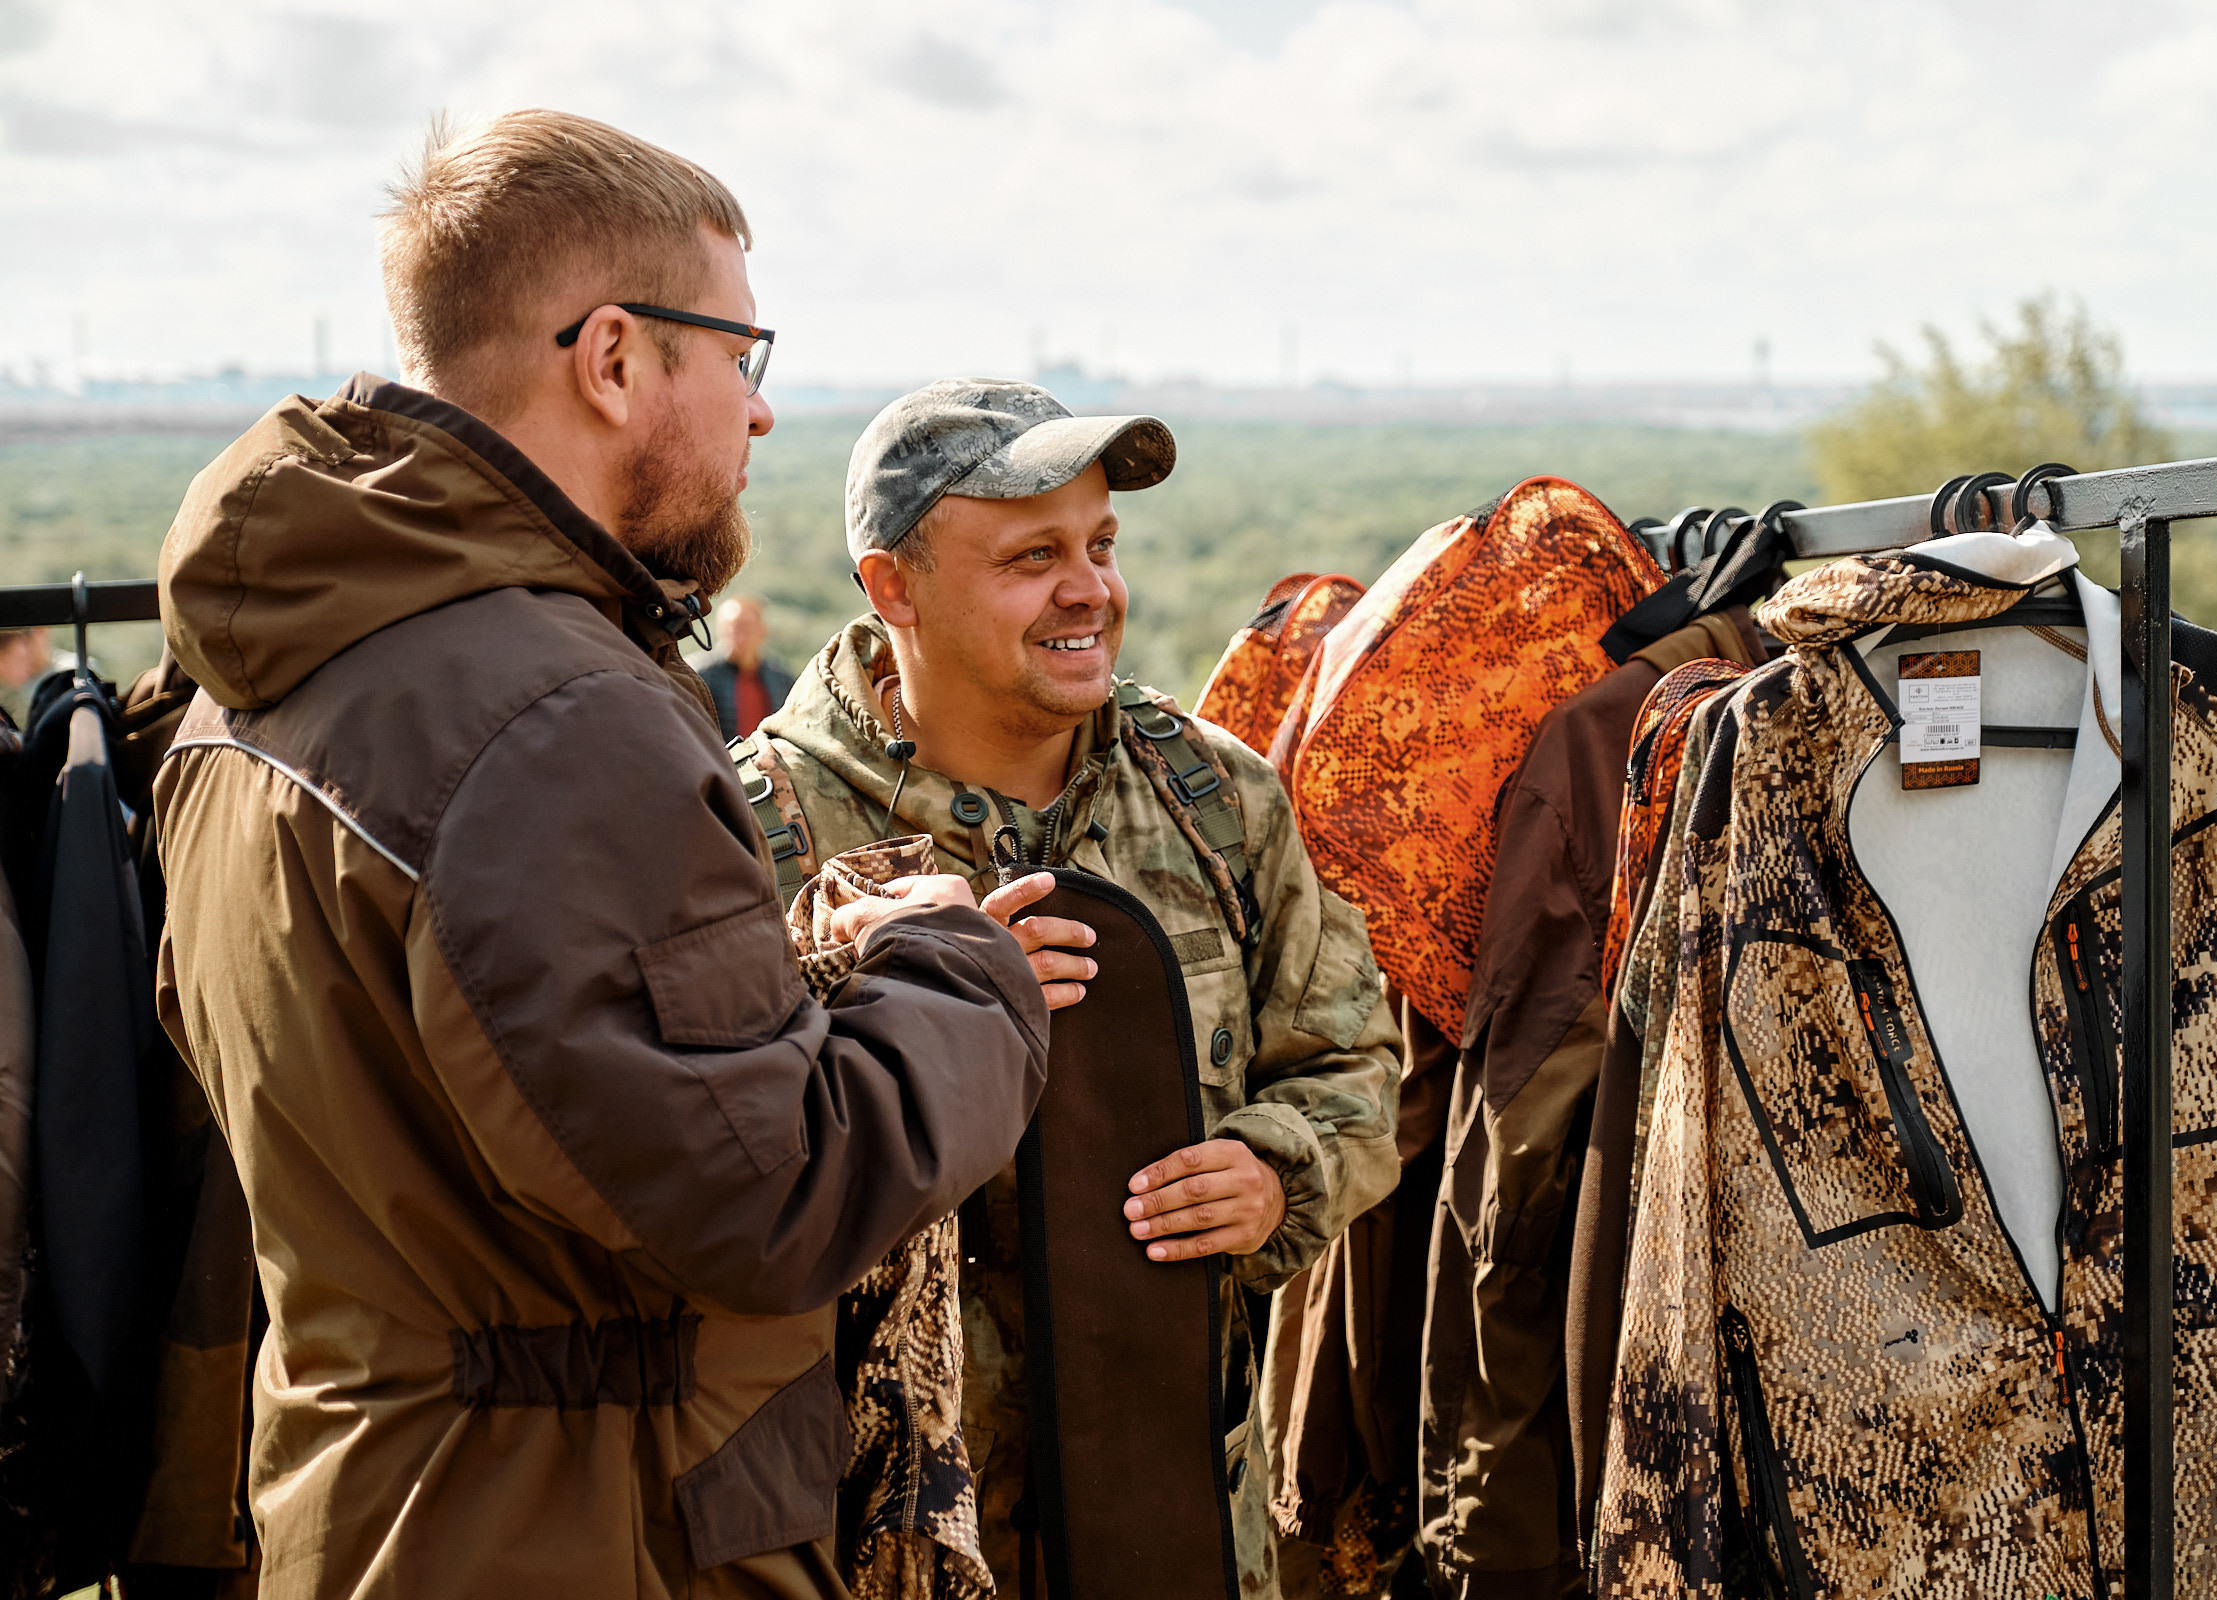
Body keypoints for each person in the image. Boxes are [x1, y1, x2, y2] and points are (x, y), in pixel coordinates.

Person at [149, 112, 1054, 1600]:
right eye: (740, 357)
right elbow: (772, 1199)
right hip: (602, 1537)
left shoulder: (249, 691)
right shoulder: (560, 724)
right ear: (618, 357)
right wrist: (955, 964)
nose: (762, 416)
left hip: (364, 1514)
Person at [746, 378, 1404, 1596]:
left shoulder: (1217, 800)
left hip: (1175, 1513)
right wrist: (874, 996)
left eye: (1100, 545)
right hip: (876, 1536)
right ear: (894, 588)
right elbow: (694, 1161)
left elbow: (1354, 1062)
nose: (1088, 589)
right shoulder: (758, 832)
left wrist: (1275, 1171)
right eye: (1031, 554)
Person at [700, 592, 795, 738]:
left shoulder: (782, 680)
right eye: (730, 626)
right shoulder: (698, 675)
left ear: (762, 630)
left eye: (745, 626)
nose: (736, 633)